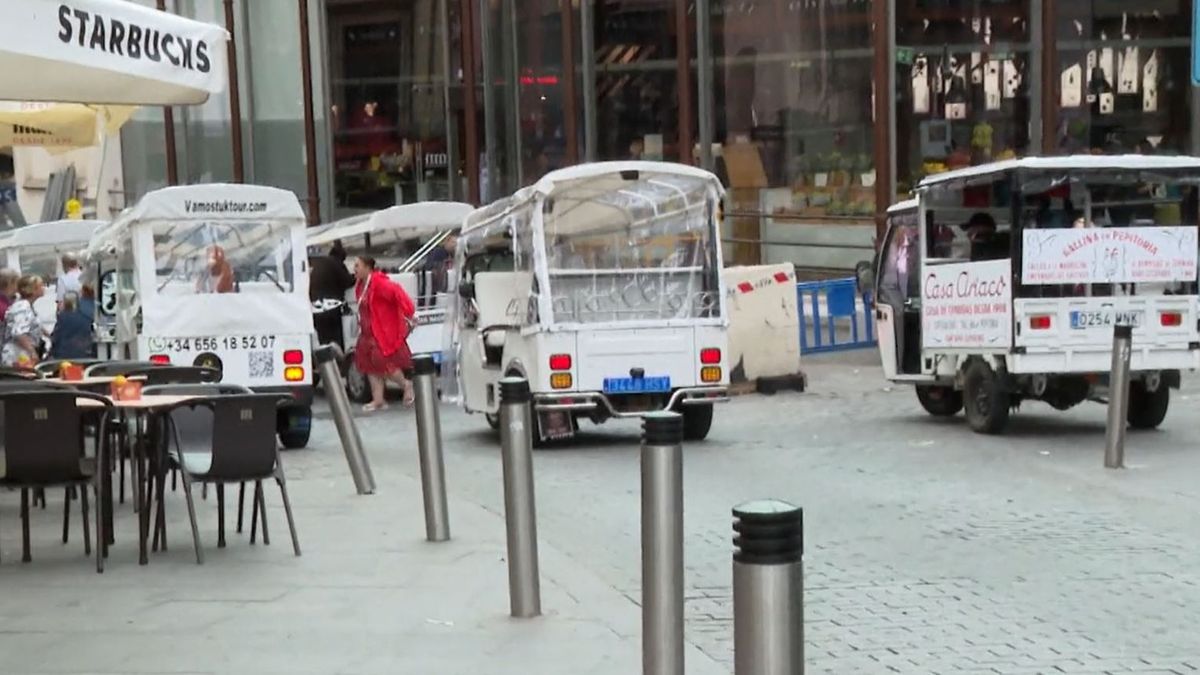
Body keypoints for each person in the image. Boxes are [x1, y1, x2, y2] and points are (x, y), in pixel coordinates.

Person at [353, 256, 416, 412]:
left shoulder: (380, 283)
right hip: (367, 331)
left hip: (380, 331)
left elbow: (397, 292)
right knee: (369, 366)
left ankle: (405, 385)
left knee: (383, 362)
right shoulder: (361, 284)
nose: (354, 269)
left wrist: (409, 312)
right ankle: (378, 399)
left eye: (357, 265)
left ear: (368, 267)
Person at [309, 242, 356, 350]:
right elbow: (347, 281)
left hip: (316, 306)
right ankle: (337, 360)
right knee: (335, 338)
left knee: (323, 338)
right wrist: (356, 277)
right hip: (331, 307)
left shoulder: (321, 263)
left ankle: (325, 359)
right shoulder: (336, 263)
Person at [2, 274, 45, 368]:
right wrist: (32, 352)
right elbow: (18, 333)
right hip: (17, 354)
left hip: (23, 352)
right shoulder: (22, 307)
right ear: (32, 289)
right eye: (41, 285)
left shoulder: (27, 306)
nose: (44, 288)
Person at [49, 292, 93, 360]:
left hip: (65, 354)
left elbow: (57, 336)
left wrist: (51, 352)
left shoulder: (63, 317)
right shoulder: (86, 317)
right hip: (84, 353)